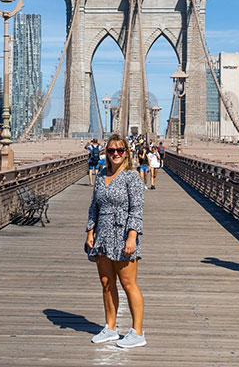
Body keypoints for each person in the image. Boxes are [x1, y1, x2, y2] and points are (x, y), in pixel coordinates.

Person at [85, 134, 146, 348]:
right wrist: (90, 231)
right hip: (102, 233)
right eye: (112, 150)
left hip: (122, 235)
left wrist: (132, 236)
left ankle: (137, 332)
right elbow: (94, 206)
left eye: (120, 150)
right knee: (106, 283)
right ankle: (110, 328)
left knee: (128, 284)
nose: (116, 154)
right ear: (106, 153)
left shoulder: (132, 177)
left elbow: (136, 210)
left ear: (126, 153)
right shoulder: (101, 175)